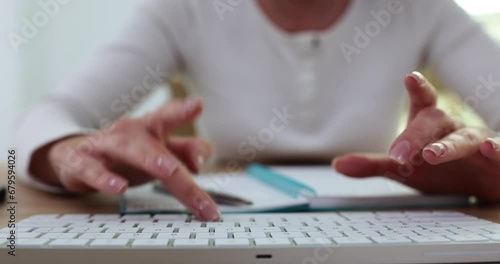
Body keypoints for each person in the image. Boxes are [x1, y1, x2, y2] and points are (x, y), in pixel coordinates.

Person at [13, 0, 500, 221]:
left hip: (381, 224)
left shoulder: (421, 9)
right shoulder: (187, 9)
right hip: (227, 225)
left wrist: (489, 165)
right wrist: (70, 155)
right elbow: (36, 126)